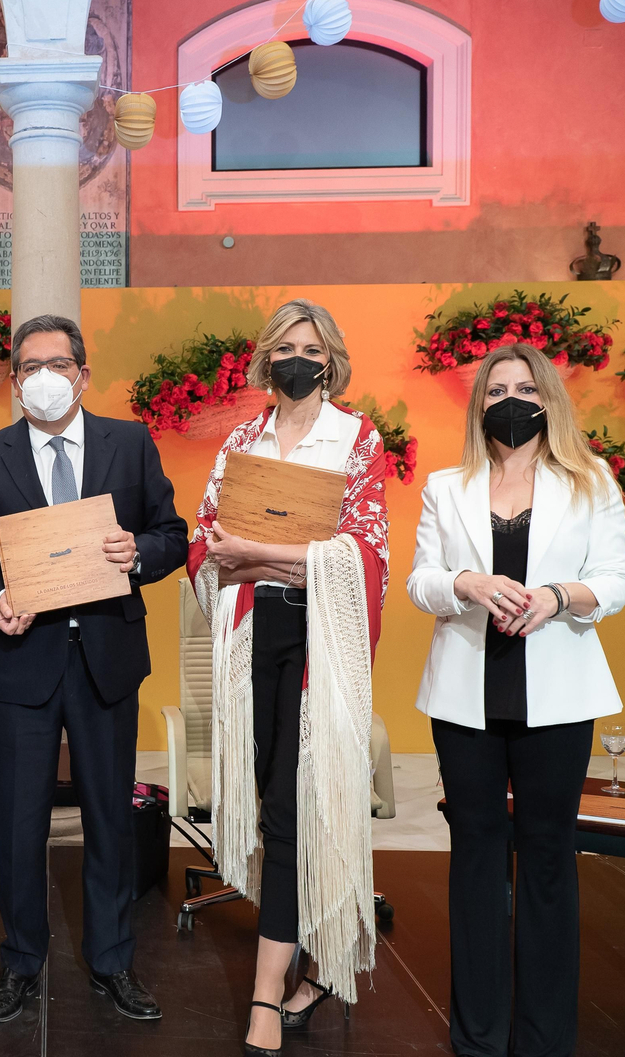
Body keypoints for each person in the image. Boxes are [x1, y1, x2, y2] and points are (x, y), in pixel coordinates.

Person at [0, 313, 188, 1025]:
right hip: (23, 659)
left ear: (83, 374)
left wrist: (135, 553)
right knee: (17, 822)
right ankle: (20, 960)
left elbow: (172, 536)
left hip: (107, 657)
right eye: (29, 367)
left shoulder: (131, 442)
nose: (43, 378)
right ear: (15, 382)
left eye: (58, 364)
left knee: (110, 817)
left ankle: (112, 961)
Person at [407, 343, 625, 1057]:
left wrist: (558, 596)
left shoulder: (590, 481)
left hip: (558, 701)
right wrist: (465, 583)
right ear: (480, 404)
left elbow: (618, 578)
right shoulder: (447, 486)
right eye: (498, 388)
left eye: (527, 389)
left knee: (546, 858)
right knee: (475, 858)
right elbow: (420, 581)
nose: (513, 400)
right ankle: (476, 1036)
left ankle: (543, 1039)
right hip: (466, 696)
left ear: (550, 402)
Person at [187, 300, 388, 1055]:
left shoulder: (356, 437)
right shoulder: (244, 439)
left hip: (321, 640)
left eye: (312, 348)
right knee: (278, 809)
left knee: (295, 809)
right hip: (256, 636)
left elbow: (366, 549)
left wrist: (269, 555)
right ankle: (312, 963)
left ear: (330, 360)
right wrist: (289, 552)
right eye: (285, 348)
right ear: (266, 359)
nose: (299, 359)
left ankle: (266, 995)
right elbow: (209, 547)